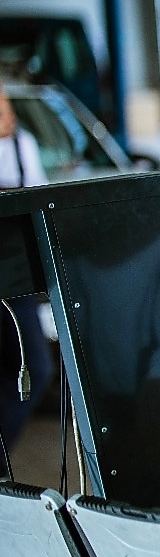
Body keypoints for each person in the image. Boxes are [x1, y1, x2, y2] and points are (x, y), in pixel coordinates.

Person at [0, 78, 55, 468]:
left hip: (15, 281)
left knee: (36, 366)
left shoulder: (23, 147)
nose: (8, 114)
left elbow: (41, 202)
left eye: (7, 105)